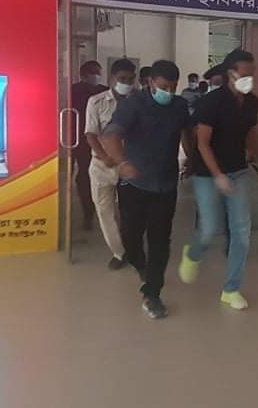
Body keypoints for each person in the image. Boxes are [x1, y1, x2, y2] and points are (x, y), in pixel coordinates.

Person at [103, 60, 193, 319]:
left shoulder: (179, 106)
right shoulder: (134, 104)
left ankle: (152, 293)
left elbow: (186, 131)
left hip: (165, 185)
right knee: (130, 236)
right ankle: (139, 264)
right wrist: (123, 163)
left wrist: (192, 157)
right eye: (164, 86)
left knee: (160, 240)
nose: (169, 92)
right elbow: (111, 135)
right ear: (151, 82)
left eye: (173, 87)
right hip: (134, 184)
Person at [179, 49, 258, 311]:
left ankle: (231, 289)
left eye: (252, 74)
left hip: (239, 170)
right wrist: (218, 175)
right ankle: (193, 253)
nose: (249, 79)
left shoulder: (252, 101)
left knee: (241, 232)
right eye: (245, 74)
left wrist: (254, 151)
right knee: (210, 228)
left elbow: (250, 129)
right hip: (207, 173)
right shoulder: (211, 102)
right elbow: (202, 143)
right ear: (231, 74)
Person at [85, 58, 136, 270]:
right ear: (111, 78)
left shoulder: (138, 102)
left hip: (128, 166)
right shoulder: (96, 101)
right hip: (102, 165)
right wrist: (105, 156)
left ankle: (133, 249)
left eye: (130, 79)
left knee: (130, 212)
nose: (127, 83)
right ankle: (119, 252)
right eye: (122, 79)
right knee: (105, 212)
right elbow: (91, 134)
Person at [72, 61, 108, 230]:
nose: (96, 76)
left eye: (98, 72)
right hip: (78, 140)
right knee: (83, 176)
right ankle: (88, 213)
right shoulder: (73, 91)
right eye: (93, 72)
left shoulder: (104, 91)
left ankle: (95, 211)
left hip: (100, 140)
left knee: (97, 177)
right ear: (83, 75)